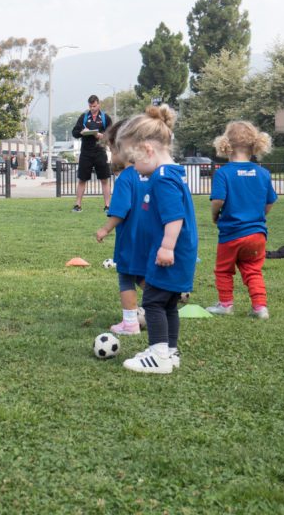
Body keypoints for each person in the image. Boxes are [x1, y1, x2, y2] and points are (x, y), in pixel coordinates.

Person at [115, 105, 197, 375]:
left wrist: (166, 246)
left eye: (133, 159)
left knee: (151, 302)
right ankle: (170, 351)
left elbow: (175, 217)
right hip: (177, 255)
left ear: (148, 150)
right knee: (169, 303)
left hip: (168, 255)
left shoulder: (161, 179)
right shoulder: (171, 174)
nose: (133, 167)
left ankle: (158, 353)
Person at [205, 121, 277, 319]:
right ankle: (260, 307)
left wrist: (214, 215)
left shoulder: (223, 172)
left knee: (224, 270)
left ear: (225, 143)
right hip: (257, 234)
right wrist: (258, 216)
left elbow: (218, 200)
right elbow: (270, 202)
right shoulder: (263, 173)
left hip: (231, 234)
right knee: (253, 270)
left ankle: (226, 304)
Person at [95, 118, 150, 336]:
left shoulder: (126, 177)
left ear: (122, 148)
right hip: (152, 237)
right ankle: (161, 307)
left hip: (131, 238)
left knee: (126, 276)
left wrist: (105, 229)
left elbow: (121, 209)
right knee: (144, 276)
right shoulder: (150, 174)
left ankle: (130, 323)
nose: (111, 155)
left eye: (111, 149)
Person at [71, 95, 112, 214]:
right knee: (82, 179)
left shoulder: (105, 118)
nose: (92, 108)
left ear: (99, 104)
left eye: (94, 106)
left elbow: (112, 134)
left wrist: (102, 136)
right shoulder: (84, 117)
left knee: (104, 179)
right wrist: (81, 132)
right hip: (86, 152)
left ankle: (107, 206)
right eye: (90, 106)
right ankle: (77, 205)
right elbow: (74, 132)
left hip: (100, 151)